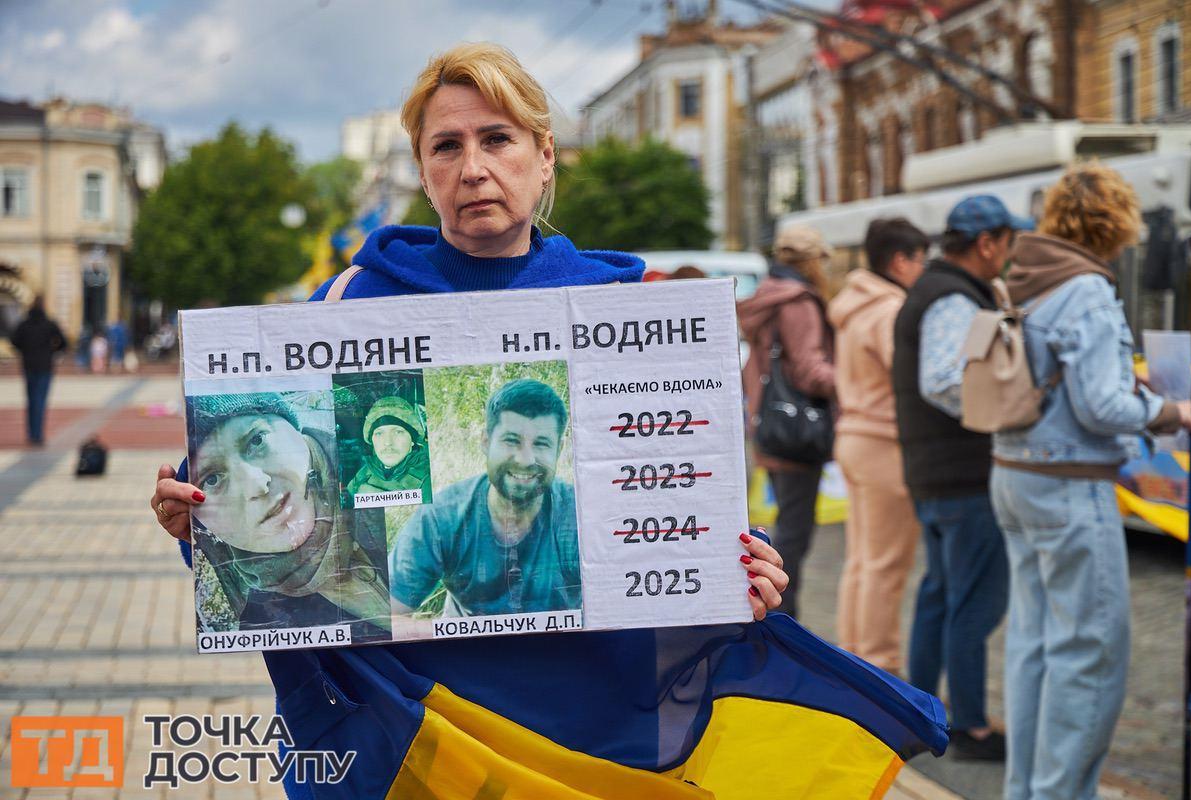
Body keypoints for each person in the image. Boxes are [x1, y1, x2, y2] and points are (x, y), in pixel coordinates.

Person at [148, 43, 793, 797]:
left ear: (544, 156)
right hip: (416, 729)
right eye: (447, 146)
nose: (473, 168)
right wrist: (193, 520)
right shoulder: (348, 307)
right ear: (423, 172)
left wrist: (742, 564)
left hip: (593, 727)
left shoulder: (625, 305)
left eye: (497, 139)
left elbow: (680, 493)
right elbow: (254, 542)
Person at [992, 162, 1191, 800]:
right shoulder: (1084, 287)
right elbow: (1101, 407)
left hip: (1014, 473)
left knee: (1033, 644)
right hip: (1068, 482)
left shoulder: (1027, 278)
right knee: (1091, 652)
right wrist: (1174, 412)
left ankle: (1027, 790)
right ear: (1115, 223)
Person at [893, 195, 1031, 760]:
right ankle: (969, 726)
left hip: (936, 473)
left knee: (941, 595)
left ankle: (919, 713)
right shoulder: (952, 296)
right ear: (987, 243)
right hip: (963, 475)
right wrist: (1007, 411)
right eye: (1009, 242)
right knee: (973, 602)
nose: (1010, 253)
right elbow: (944, 380)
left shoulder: (935, 289)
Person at [189, 392, 390, 640]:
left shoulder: (377, 472)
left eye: (256, 441)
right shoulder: (260, 616)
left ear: (293, 429)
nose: (257, 485)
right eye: (212, 479)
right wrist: (188, 534)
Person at [828, 217, 926, 674]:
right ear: (900, 261)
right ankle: (880, 666)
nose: (923, 270)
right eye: (921, 260)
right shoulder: (889, 310)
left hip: (853, 436)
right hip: (884, 440)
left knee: (863, 559)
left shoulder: (853, 305)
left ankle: (852, 656)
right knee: (886, 564)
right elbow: (909, 375)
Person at [392, 379, 578, 617]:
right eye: (511, 440)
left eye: (541, 444)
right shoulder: (442, 517)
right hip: (464, 638)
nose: (525, 459)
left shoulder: (578, 517)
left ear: (559, 450)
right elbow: (387, 617)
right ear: (485, 442)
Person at [738, 224, 836, 616]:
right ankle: (781, 619)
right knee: (795, 533)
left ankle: (777, 614)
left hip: (769, 424)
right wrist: (856, 380)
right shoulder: (799, 302)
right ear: (811, 261)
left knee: (788, 528)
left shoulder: (766, 295)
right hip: (798, 431)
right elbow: (810, 371)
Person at [345, 395, 431, 499]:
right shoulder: (362, 475)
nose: (388, 442)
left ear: (412, 440)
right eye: (379, 433)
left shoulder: (431, 479)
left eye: (398, 432)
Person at [9, 296, 66, 446]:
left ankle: (32, 433)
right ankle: (38, 434)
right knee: (40, 400)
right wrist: (52, 351)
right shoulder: (49, 324)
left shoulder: (24, 324)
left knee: (31, 400)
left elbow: (14, 341)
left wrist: (25, 351)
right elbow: (63, 342)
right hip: (45, 365)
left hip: (28, 365)